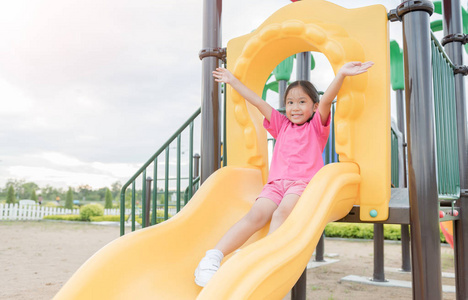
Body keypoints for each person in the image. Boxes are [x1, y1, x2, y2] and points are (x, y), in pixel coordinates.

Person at [194, 61, 374, 287]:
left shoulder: (317, 127)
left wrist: (341, 75)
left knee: (281, 214)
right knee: (255, 216)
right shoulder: (281, 125)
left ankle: (262, 261)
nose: (295, 107)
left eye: (302, 102)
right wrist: (232, 81)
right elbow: (258, 101)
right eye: (290, 102)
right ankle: (213, 257)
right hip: (275, 184)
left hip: (301, 184)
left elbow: (327, 99)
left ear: (314, 107)